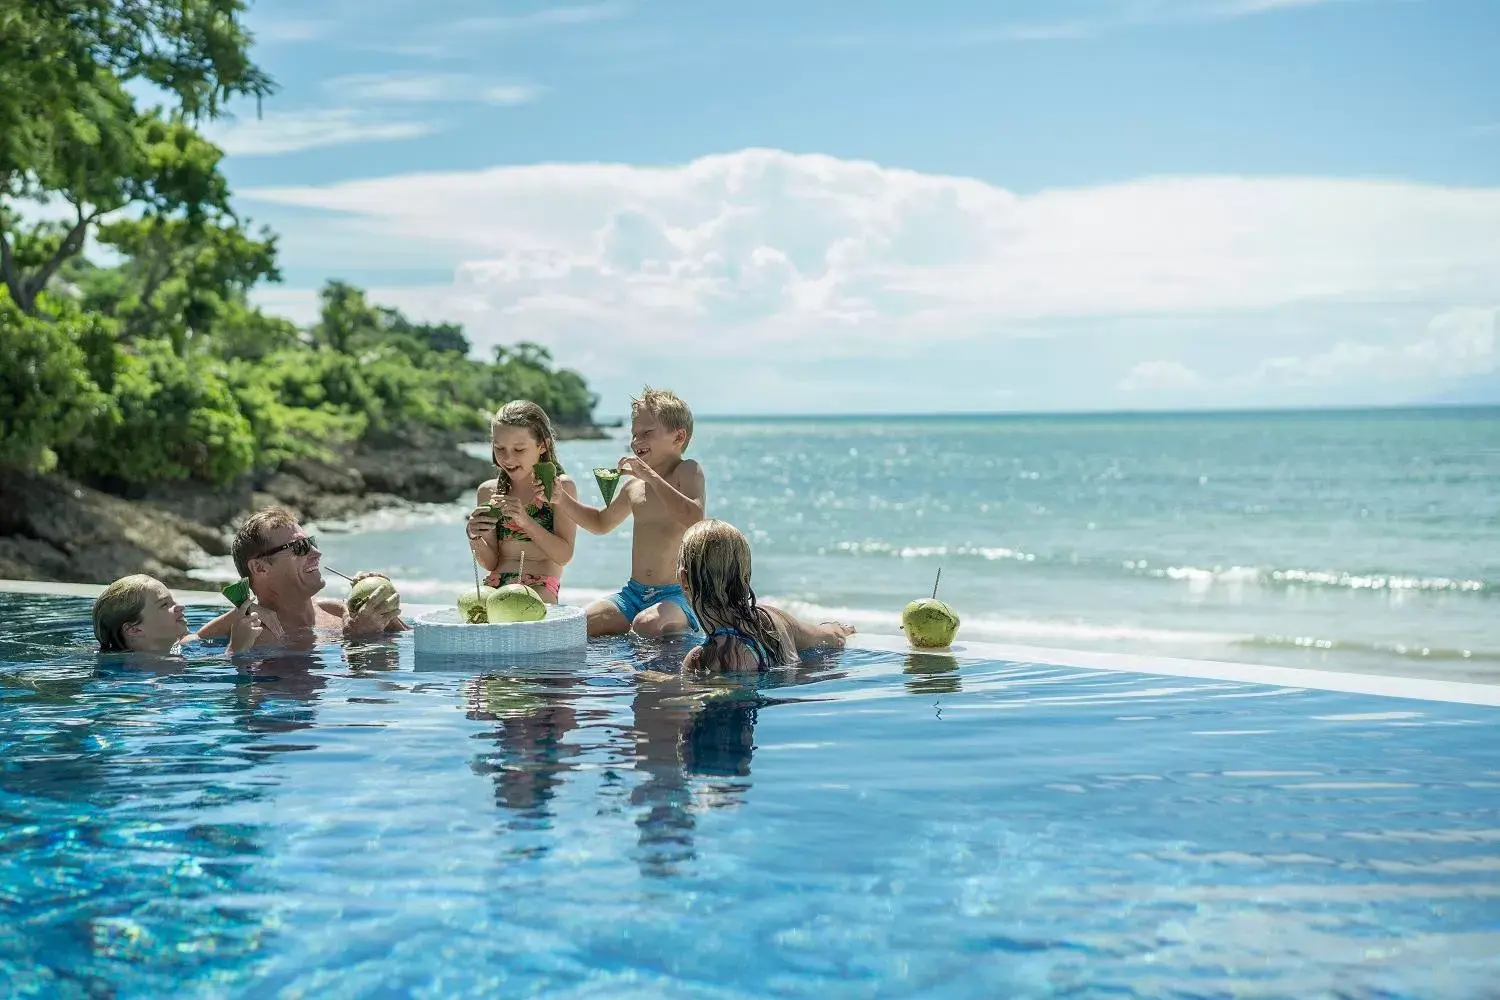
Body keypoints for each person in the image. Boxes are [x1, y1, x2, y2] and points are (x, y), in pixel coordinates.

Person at [550, 386, 706, 637]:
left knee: (648, 624)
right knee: (578, 624)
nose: (636, 441)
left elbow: (694, 519)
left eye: (646, 433)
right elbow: (600, 523)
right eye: (634, 434)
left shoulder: (687, 471)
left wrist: (652, 477)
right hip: (633, 593)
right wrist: (561, 500)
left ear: (678, 437)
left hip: (676, 596)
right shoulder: (634, 485)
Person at [198, 506, 405, 644]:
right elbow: (179, 653)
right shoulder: (250, 632)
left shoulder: (335, 611)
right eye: (300, 547)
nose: (316, 553)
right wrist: (356, 640)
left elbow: (414, 646)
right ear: (260, 568)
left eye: (311, 542)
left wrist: (386, 614)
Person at [676, 519, 855, 672]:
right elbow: (827, 636)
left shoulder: (702, 658)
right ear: (745, 572)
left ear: (684, 578)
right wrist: (838, 629)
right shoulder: (776, 619)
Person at [464, 400, 579, 603]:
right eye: (499, 448)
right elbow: (491, 563)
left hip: (539, 585)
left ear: (542, 445)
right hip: (496, 583)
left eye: (519, 450)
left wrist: (525, 520)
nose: (508, 459)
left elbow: (564, 555)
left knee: (513, 611)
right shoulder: (488, 491)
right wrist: (474, 538)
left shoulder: (558, 489)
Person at [93, 574, 266, 655]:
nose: (179, 606)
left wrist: (241, 611)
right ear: (134, 630)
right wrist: (237, 650)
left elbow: (198, 636)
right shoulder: (143, 669)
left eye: (172, 600)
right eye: (164, 605)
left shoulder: (172, 646)